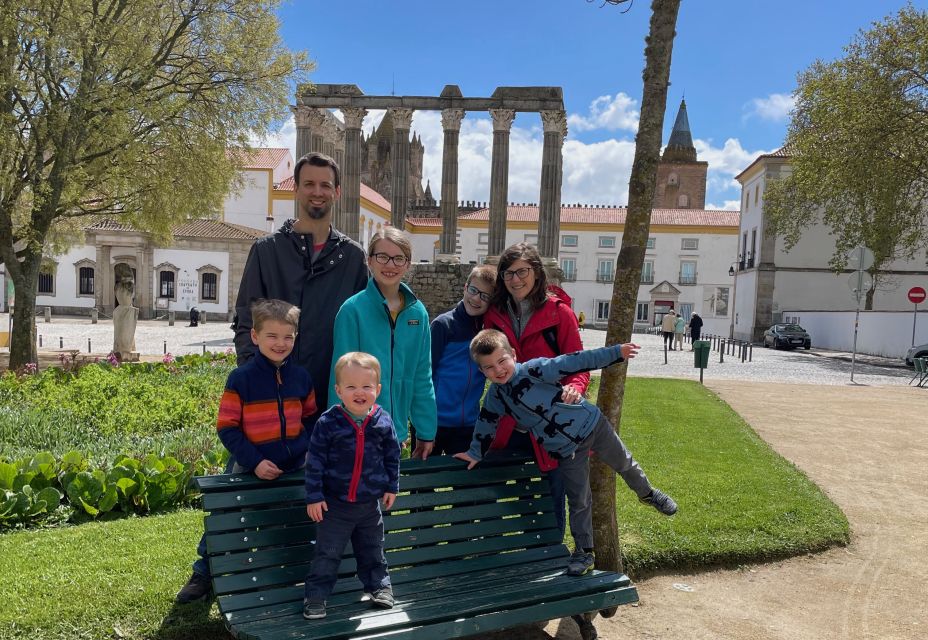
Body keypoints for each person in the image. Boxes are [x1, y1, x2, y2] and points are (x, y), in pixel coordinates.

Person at [455, 329, 677, 577]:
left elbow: (576, 360)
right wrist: (475, 452)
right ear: (482, 371)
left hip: (592, 425)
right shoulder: (497, 396)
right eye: (488, 367)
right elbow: (487, 422)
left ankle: (647, 493)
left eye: (502, 360)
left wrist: (616, 353)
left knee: (624, 463)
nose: (498, 370)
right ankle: (584, 551)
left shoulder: (536, 369)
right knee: (579, 499)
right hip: (566, 450)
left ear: (514, 355)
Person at [176, 299, 317, 603]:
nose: (280, 344)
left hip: (292, 467)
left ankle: (273, 574)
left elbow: (309, 418)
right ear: (255, 336)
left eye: (288, 337)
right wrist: (255, 461)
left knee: (285, 522)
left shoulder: (301, 378)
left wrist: (301, 449)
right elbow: (227, 427)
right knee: (228, 521)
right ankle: (205, 572)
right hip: (248, 466)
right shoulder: (241, 379)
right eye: (272, 336)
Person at [232, 152, 368, 413]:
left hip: (333, 399)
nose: (317, 192)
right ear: (296, 189)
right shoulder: (266, 251)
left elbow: (365, 328)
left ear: (336, 192)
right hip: (274, 394)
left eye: (325, 185)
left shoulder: (352, 258)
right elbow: (246, 321)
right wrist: (256, 378)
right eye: (309, 184)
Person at [483, 242, 584, 538]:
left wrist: (574, 387)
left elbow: (576, 363)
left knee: (551, 501)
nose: (515, 279)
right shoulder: (494, 315)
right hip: (508, 423)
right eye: (508, 273)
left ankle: (550, 559)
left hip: (550, 422)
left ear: (537, 272)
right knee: (499, 499)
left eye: (522, 271)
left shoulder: (560, 314)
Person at [303, 352, 401, 620]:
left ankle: (379, 587)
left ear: (378, 389)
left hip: (370, 506)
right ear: (338, 390)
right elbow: (315, 463)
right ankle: (316, 596)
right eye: (351, 387)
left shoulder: (382, 421)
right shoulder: (328, 423)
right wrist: (314, 496)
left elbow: (392, 456)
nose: (360, 392)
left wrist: (391, 486)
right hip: (334, 506)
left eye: (367, 386)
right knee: (328, 553)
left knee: (372, 549)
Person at [329, 227, 436, 459]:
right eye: (383, 257)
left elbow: (421, 376)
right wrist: (338, 433)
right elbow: (338, 378)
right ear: (369, 260)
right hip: (356, 432)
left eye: (399, 258)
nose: (390, 265)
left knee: (388, 495)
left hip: (394, 434)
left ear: (408, 264)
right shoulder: (352, 311)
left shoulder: (418, 313)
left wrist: (426, 431)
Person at [430, 265, 497, 456]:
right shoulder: (443, 325)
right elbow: (426, 372)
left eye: (485, 296)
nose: (476, 298)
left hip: (467, 423)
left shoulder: (486, 330)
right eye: (474, 290)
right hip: (434, 421)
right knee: (424, 483)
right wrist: (423, 418)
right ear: (465, 287)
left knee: (465, 482)